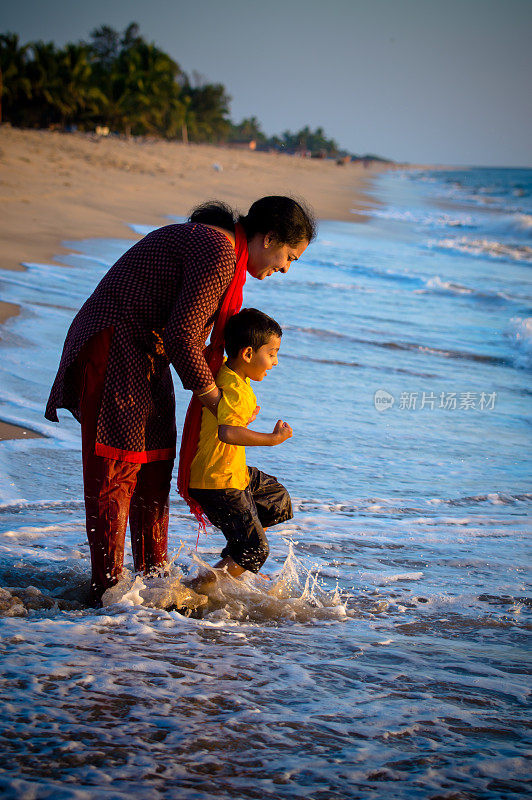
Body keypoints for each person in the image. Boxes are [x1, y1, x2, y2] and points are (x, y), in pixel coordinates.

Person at [44, 197, 315, 604]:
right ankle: (108, 595)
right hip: (113, 345)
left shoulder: (224, 251)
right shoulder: (220, 250)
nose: (285, 268)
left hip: (146, 352)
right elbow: (183, 337)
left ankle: (152, 588)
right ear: (268, 237)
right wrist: (216, 401)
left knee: (154, 469)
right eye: (289, 256)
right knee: (118, 471)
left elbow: (178, 337)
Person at [186, 308, 293, 590]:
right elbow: (228, 432)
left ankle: (236, 561)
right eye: (271, 354)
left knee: (276, 499)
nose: (275, 361)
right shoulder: (235, 388)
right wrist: (271, 439)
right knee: (257, 550)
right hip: (219, 481)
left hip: (230, 473)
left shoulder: (231, 374)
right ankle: (195, 591)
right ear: (247, 354)